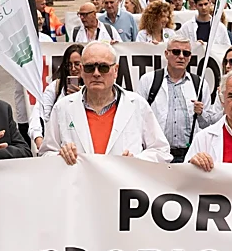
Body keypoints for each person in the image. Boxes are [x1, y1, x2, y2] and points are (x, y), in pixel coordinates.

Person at [42, 41, 171, 162]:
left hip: (124, 183)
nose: (96, 73)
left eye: (103, 67)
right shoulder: (62, 108)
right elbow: (45, 153)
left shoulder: (138, 105)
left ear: (115, 70)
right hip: (79, 184)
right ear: (81, 70)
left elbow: (161, 151)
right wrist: (61, 156)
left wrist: (136, 161)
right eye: (89, 68)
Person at [137, 34, 211, 162]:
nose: (181, 56)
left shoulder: (200, 84)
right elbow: (137, 118)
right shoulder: (148, 81)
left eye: (186, 53)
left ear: (190, 58)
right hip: (157, 155)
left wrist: (201, 113)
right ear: (166, 54)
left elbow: (208, 124)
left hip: (191, 155)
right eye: (176, 52)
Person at [29, 43, 84, 150]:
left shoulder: (93, 89)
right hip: (60, 147)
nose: (73, 68)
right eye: (69, 65)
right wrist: (39, 139)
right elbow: (39, 112)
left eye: (77, 64)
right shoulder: (56, 87)